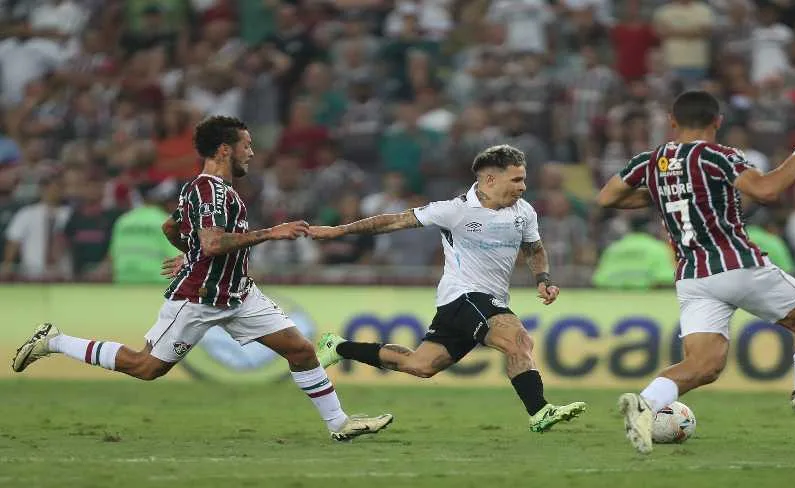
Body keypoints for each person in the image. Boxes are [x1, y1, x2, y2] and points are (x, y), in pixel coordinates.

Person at [11, 116, 392, 442]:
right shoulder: (207, 188)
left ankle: (339, 423)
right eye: (247, 145)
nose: (252, 153)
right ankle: (54, 341)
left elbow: (173, 227)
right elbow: (210, 242)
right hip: (199, 298)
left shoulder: (219, 191)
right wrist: (267, 233)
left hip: (239, 294)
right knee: (147, 368)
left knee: (301, 351)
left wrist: (192, 251)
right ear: (224, 149)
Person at [596, 91, 795, 454]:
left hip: (692, 276)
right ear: (718, 121)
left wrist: (667, 193)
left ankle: (645, 404)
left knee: (703, 365)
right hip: (735, 263)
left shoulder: (650, 161)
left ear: (672, 121)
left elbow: (607, 197)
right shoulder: (719, 156)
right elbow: (766, 190)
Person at [310, 144, 587, 433]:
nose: (524, 186)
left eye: (523, 179)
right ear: (490, 179)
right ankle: (540, 410)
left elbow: (534, 249)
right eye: (516, 180)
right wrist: (338, 231)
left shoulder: (524, 212)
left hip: (481, 300)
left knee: (422, 365)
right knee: (518, 342)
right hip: (464, 294)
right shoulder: (456, 210)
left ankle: (339, 346)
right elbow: (394, 221)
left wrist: (543, 278)